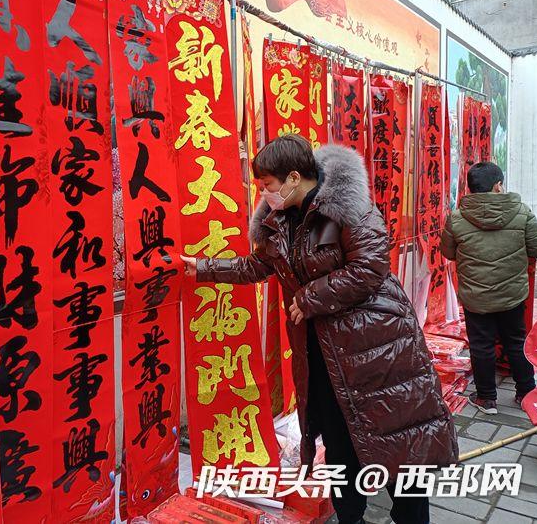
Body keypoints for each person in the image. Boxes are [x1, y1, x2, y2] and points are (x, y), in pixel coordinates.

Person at [181, 135, 458, 524]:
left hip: (377, 347)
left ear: (294, 178)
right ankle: (351, 517)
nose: (264, 194)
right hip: (323, 356)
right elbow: (257, 266)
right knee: (339, 442)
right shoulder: (279, 222)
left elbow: (371, 266)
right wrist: (203, 268)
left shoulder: (349, 206)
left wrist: (310, 297)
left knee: (397, 441)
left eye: (268, 185)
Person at [441, 161, 537, 415]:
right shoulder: (520, 211)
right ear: (498, 185)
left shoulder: (457, 218)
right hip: (512, 295)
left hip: (476, 297)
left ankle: (486, 398)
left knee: (481, 345)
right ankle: (525, 392)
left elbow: (448, 252)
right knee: (516, 341)